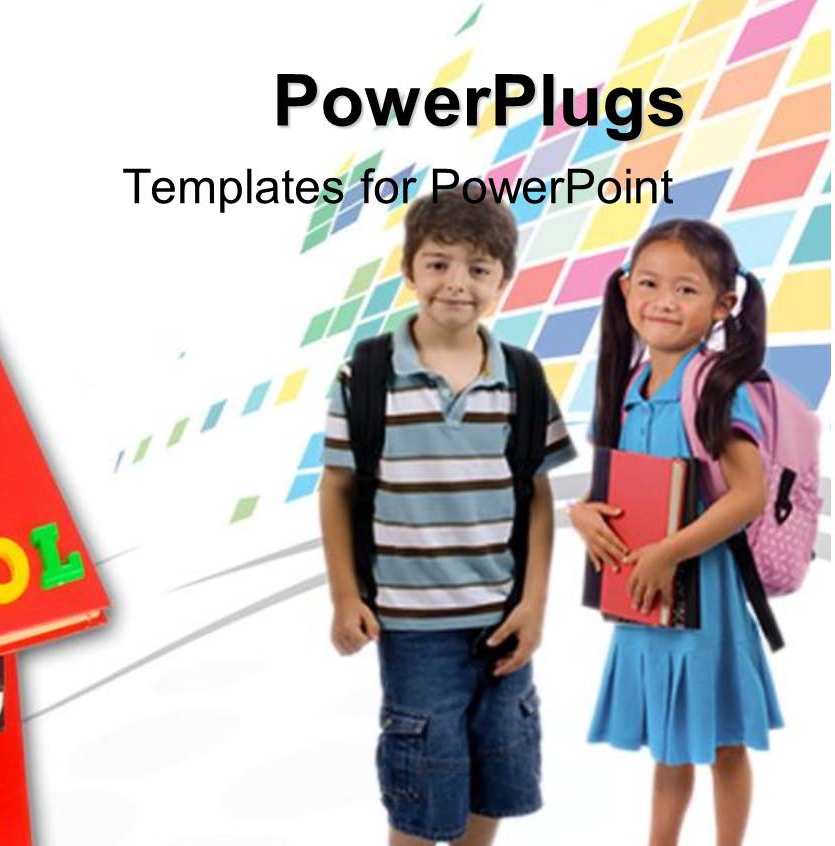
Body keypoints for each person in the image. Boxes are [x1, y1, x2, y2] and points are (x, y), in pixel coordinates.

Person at [320, 193, 576, 845]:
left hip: (502, 622)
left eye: (478, 268)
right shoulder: (365, 375)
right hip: (412, 627)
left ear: (502, 281)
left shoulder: (522, 377)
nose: (457, 283)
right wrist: (345, 595)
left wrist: (534, 605)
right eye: (438, 264)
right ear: (408, 270)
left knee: (499, 765)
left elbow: (537, 495)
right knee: (420, 779)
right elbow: (337, 487)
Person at [569, 219, 781, 846]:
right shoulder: (628, 385)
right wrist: (583, 513)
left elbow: (748, 494)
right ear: (625, 289)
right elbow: (619, 485)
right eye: (650, 284)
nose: (664, 302)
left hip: (704, 592)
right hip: (646, 592)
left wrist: (670, 552)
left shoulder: (715, 385)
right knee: (671, 740)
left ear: (723, 304)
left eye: (686, 290)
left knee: (723, 741)